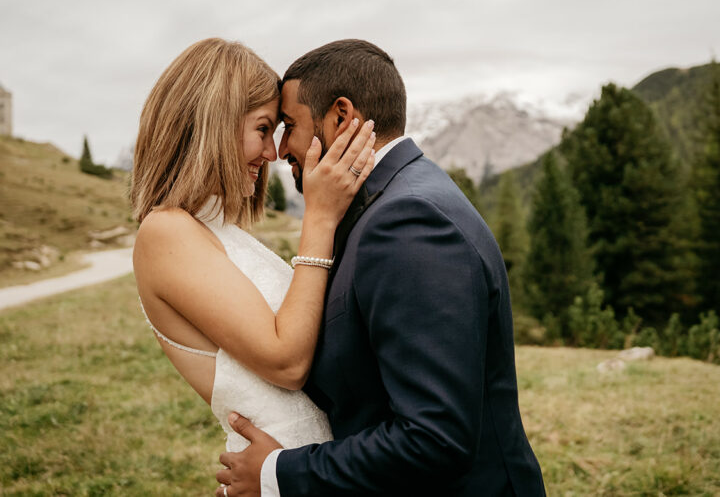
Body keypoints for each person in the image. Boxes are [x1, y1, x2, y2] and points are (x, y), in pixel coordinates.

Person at [216, 40, 546, 496]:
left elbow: (435, 439)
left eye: (289, 125)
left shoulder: (409, 221)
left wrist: (277, 474)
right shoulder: (388, 203)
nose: (281, 148)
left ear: (341, 116)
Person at [130, 38, 376, 453]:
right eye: (263, 129)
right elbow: (287, 362)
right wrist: (318, 217)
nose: (271, 152)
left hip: (305, 468)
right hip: (279, 471)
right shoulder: (166, 232)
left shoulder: (218, 232)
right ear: (215, 123)